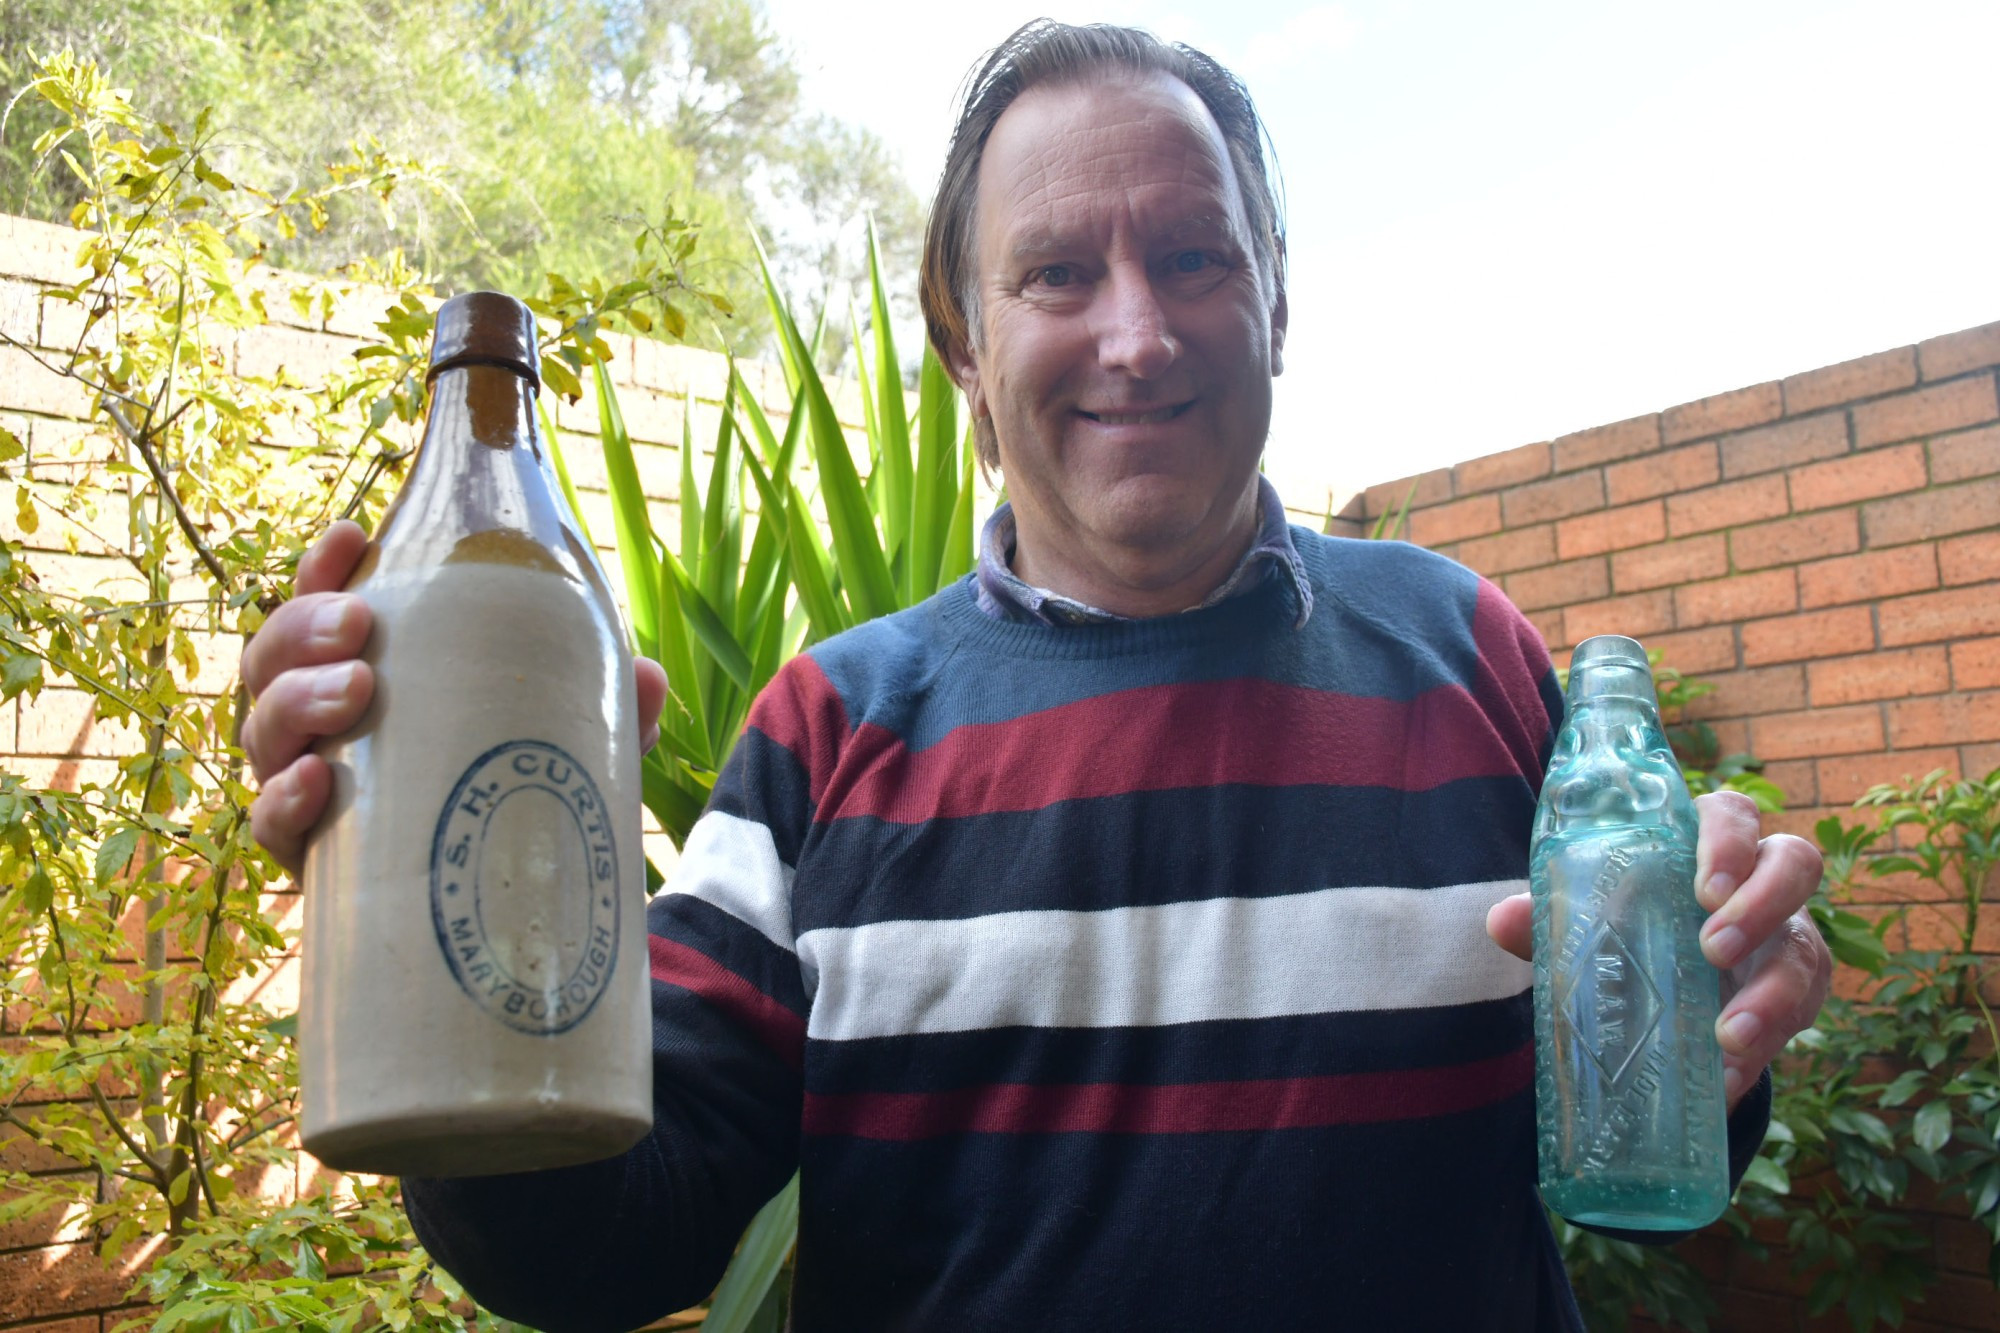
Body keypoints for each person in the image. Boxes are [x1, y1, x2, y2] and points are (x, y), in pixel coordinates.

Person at [241, 20, 1833, 1332]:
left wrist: (1719, 1012)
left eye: (1196, 255)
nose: (1136, 334)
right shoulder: (825, 734)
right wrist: (423, 945)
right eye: (1057, 274)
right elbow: (604, 1251)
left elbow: (1634, 1121)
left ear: (1277, 297)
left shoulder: (1473, 654)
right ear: (963, 349)